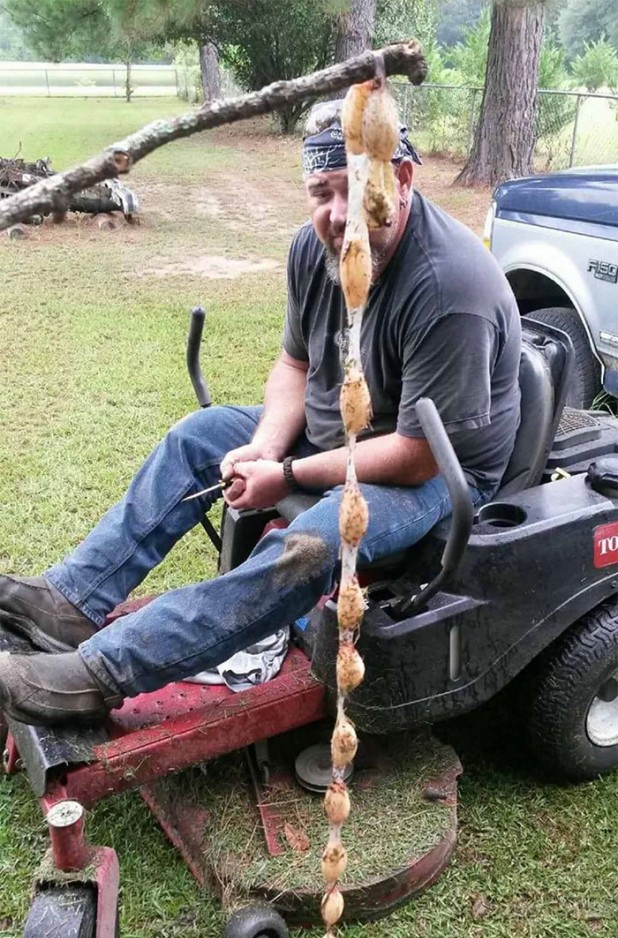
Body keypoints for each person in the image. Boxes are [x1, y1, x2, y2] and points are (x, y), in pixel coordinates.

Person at [0, 101, 522, 728]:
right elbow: (295, 367)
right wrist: (268, 446)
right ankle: (70, 603)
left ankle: (102, 674)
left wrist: (293, 475)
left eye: (356, 192)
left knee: (311, 541)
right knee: (198, 436)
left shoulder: (451, 288)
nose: (337, 214)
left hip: (437, 470)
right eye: (321, 193)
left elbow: (414, 457)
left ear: (403, 179)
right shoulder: (315, 248)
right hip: (345, 431)